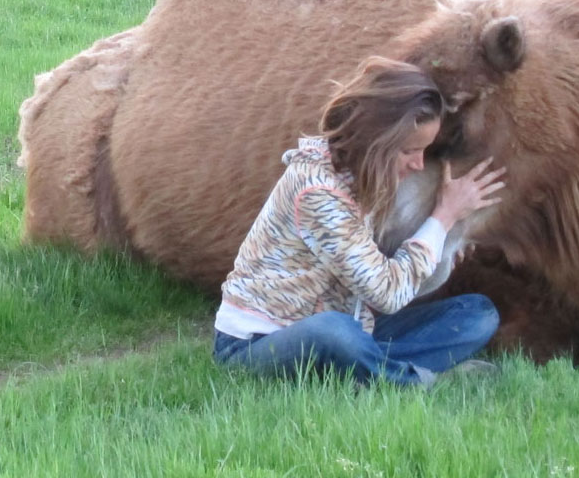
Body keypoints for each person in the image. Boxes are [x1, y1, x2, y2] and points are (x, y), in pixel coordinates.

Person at [212, 56, 506, 387]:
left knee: (477, 314)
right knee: (333, 331)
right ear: (378, 139)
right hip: (259, 343)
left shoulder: (368, 181)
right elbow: (387, 294)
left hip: (355, 326)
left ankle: (359, 370)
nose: (419, 164)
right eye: (410, 150)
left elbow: (398, 288)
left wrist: (441, 238)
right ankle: (415, 382)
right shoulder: (316, 193)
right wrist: (443, 217)